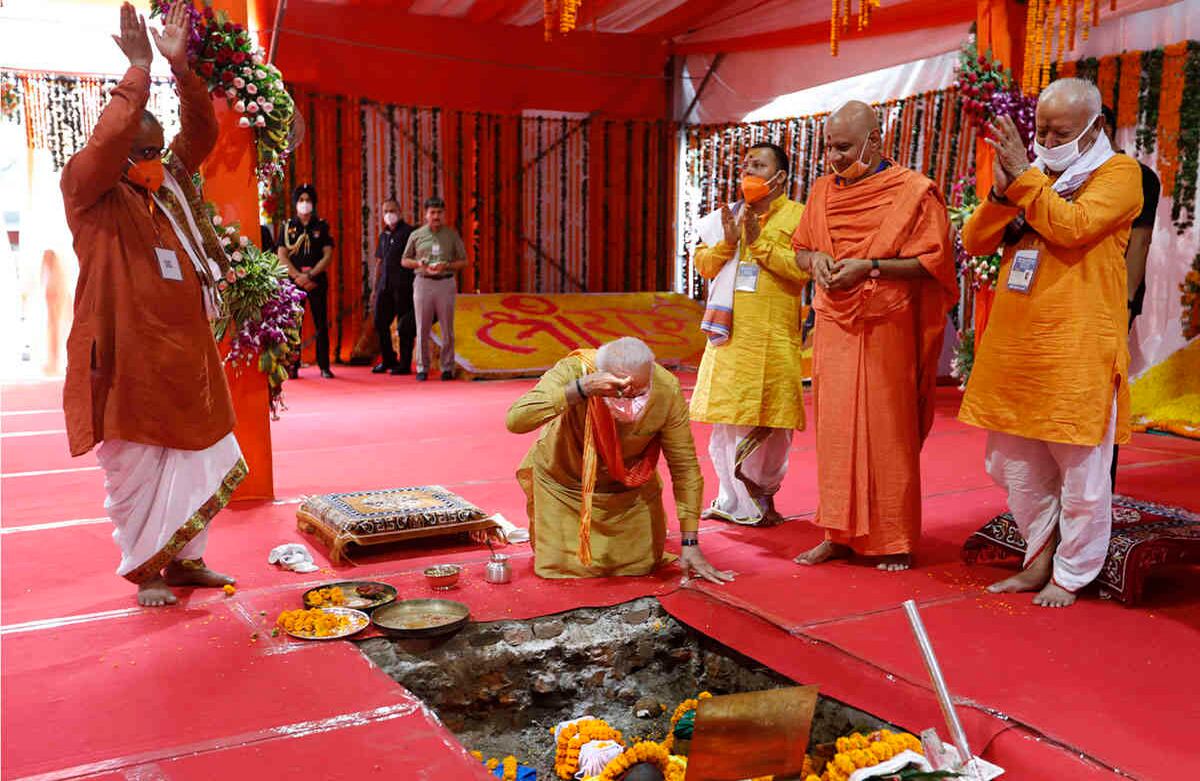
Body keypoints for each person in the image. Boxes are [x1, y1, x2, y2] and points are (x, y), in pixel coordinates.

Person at [60, 2, 245, 607]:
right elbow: (113, 137)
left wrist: (181, 70)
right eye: (143, 153)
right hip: (125, 357)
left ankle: (187, 561)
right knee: (139, 467)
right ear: (119, 154)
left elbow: (204, 132)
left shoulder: (170, 188)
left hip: (186, 354)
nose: (155, 163)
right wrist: (137, 72)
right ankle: (144, 569)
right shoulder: (89, 191)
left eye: (159, 152)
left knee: (200, 456)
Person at [959, 78, 1142, 608]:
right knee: (1012, 463)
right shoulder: (1033, 173)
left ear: (1095, 128)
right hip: (1018, 343)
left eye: (1060, 131)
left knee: (1081, 472)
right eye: (1040, 128)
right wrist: (1002, 191)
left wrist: (1024, 181)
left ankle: (1072, 572)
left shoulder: (1120, 173)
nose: (1046, 138)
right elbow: (975, 241)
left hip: (1078, 343)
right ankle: (1038, 555)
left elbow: (1072, 227)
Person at [790, 101, 957, 572]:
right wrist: (816, 262)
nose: (834, 157)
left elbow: (932, 262)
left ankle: (893, 537)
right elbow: (802, 248)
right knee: (836, 433)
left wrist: (873, 266)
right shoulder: (822, 191)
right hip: (834, 325)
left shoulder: (914, 192)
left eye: (844, 147)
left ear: (875, 141)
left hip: (887, 325)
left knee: (888, 431)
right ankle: (837, 534)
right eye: (829, 147)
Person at [506, 337, 735, 584]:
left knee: (642, 566)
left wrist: (690, 542)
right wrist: (581, 389)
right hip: (565, 486)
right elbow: (516, 420)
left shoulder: (665, 389)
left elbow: (685, 466)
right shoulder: (577, 371)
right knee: (563, 569)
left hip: (630, 490)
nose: (630, 402)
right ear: (600, 376)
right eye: (618, 392)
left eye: (639, 393)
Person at [689, 142, 808, 526]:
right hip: (731, 339)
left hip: (773, 340)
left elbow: (802, 269)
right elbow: (704, 265)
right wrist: (728, 241)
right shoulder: (728, 217)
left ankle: (761, 499)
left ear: (780, 177)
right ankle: (730, 499)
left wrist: (760, 244)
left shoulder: (800, 217)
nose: (749, 172)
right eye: (746, 166)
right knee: (727, 420)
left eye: (759, 165)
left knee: (772, 424)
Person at [1100, 104, 1161, 489]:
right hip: (1067, 300)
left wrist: (1124, 309)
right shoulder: (1073, 174)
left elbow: (1138, 247)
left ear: (1100, 127)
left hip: (1113, 299)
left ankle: (1099, 487)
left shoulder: (1138, 177)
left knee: (1104, 393)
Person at [402, 196, 468, 381]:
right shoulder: (417, 235)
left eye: (439, 212)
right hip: (423, 282)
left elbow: (464, 261)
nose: (436, 216)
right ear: (426, 215)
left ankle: (447, 368)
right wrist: (419, 263)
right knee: (422, 327)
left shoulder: (451, 235)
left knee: (447, 328)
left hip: (445, 282)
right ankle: (422, 368)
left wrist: (446, 265)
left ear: (444, 214)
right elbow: (404, 260)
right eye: (432, 212)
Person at [278, 183, 335, 378]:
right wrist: (297, 277)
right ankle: (293, 366)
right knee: (294, 325)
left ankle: (324, 366)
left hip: (316, 282)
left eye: (308, 200)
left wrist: (310, 276)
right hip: (295, 285)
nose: (305, 204)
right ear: (295, 204)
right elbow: (282, 255)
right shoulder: (287, 226)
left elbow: (327, 255)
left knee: (321, 324)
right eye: (301, 200)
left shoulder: (321, 225)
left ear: (314, 203)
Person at [372, 198, 416, 375]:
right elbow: (379, 262)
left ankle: (404, 364)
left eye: (392, 210)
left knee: (404, 325)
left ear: (400, 212)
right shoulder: (383, 235)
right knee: (380, 322)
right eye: (385, 212)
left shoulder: (410, 233)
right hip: (385, 286)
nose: (389, 215)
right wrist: (375, 288)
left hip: (405, 286)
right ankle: (388, 359)